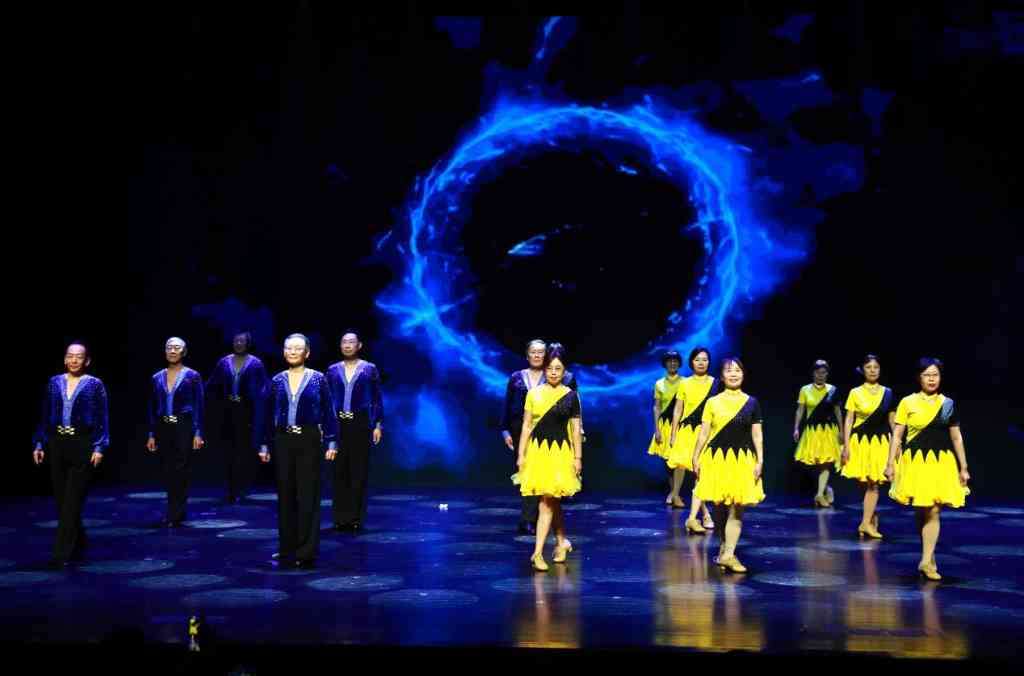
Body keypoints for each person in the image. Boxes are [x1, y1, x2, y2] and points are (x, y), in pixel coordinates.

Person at [256, 334, 338, 568]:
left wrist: (332, 442)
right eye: (288, 348)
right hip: (283, 440)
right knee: (286, 495)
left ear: (307, 353)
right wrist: (263, 444)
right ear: (284, 352)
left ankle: (306, 551)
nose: (292, 352)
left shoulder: (318, 379)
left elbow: (329, 412)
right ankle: (287, 547)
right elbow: (265, 414)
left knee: (308, 494)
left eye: (298, 348)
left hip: (309, 439)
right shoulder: (276, 380)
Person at [885, 358, 970, 581]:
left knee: (933, 509)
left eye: (935, 375)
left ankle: (925, 560)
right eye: (927, 375)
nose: (932, 379)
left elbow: (956, 437)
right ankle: (929, 559)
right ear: (919, 377)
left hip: (940, 462)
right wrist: (890, 463)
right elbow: (897, 436)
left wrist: (964, 467)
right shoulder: (907, 402)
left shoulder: (947, 404)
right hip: (915, 462)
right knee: (922, 509)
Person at [33, 343, 109, 567]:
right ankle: (79, 540)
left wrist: (99, 447)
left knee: (72, 500)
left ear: (87, 361)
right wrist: (39, 443)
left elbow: (102, 417)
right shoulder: (54, 382)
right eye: (70, 356)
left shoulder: (94, 384)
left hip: (82, 443)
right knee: (61, 499)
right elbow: (44, 414)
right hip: (57, 443)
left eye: (79, 357)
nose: (74, 360)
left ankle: (60, 554)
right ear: (65, 359)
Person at [692, 358, 765, 573]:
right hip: (715, 459)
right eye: (729, 371)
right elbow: (704, 433)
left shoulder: (752, 402)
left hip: (742, 460)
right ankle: (724, 548)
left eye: (737, 370)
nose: (734, 374)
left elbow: (757, 435)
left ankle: (729, 554)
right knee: (719, 506)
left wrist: (760, 460)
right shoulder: (712, 402)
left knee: (736, 507)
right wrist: (695, 457)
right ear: (722, 377)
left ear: (743, 374)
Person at [501, 339, 579, 534]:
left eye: (540, 352)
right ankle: (529, 519)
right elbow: (507, 405)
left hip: (548, 432)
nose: (537, 355)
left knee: (543, 474)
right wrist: (505, 430)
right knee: (527, 472)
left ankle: (534, 519)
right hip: (521, 430)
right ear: (527, 355)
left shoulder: (553, 376)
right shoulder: (517, 378)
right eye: (533, 352)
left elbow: (571, 408)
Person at [515, 344, 583, 571]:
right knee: (549, 501)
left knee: (549, 502)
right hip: (538, 452)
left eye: (558, 369)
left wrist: (578, 458)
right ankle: (556, 545)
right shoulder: (533, 394)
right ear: (545, 370)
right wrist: (521, 454)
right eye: (550, 368)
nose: (554, 372)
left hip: (560, 453)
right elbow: (526, 426)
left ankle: (542, 551)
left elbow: (575, 430)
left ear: (565, 371)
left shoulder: (571, 396)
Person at [325, 331, 383, 532]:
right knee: (338, 471)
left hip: (360, 424)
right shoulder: (332, 370)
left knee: (359, 471)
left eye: (351, 342)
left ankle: (356, 517)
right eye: (344, 342)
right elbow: (326, 400)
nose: (347, 345)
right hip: (338, 424)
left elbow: (376, 398)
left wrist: (377, 424)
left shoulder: (369, 368)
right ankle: (340, 518)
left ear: (359, 345)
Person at [146, 337, 204, 526]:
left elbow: (199, 405)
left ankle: (176, 512)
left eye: (176, 348)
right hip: (163, 426)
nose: (172, 351)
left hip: (183, 426)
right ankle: (173, 510)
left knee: (181, 468)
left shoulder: (192, 376)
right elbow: (152, 406)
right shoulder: (157, 377)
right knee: (168, 469)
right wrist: (151, 434)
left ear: (183, 352)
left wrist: (198, 432)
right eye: (169, 347)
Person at [205, 331, 268, 503]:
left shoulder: (256, 363)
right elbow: (212, 385)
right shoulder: (224, 362)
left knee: (244, 450)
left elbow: (263, 389)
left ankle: (242, 488)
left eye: (241, 341)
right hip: (228, 411)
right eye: (236, 341)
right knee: (229, 450)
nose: (238, 344)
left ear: (247, 343)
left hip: (247, 411)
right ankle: (231, 489)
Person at [839, 355, 896, 538]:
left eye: (876, 367)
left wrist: (897, 444)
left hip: (880, 442)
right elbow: (849, 420)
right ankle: (871, 517)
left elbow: (893, 421)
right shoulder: (855, 392)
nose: (872, 370)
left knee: (874, 484)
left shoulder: (888, 393)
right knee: (864, 484)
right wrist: (846, 445)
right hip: (860, 442)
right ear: (863, 370)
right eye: (869, 367)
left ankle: (864, 523)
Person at [667, 346, 718, 533]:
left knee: (701, 474)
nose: (701, 363)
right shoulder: (684, 383)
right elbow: (678, 410)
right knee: (697, 474)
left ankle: (699, 514)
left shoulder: (716, 383)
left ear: (709, 362)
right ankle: (704, 514)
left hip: (707, 433)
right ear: (691, 363)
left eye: (704, 359)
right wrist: (673, 434)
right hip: (687, 432)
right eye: (697, 359)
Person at [793, 359, 843, 508]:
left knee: (826, 462)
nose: (821, 375)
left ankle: (819, 494)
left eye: (824, 372)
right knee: (814, 463)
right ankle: (827, 488)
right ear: (813, 373)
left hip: (828, 431)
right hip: (812, 431)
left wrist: (842, 431)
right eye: (818, 372)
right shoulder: (805, 390)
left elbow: (838, 411)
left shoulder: (833, 390)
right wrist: (796, 428)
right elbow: (800, 410)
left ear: (827, 374)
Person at [648, 351, 682, 506]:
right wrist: (657, 429)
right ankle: (672, 491)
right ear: (665, 364)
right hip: (665, 425)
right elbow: (657, 407)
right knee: (668, 460)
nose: (672, 363)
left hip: (680, 425)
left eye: (675, 361)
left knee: (679, 460)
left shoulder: (685, 382)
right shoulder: (659, 384)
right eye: (669, 361)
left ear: (679, 363)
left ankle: (675, 493)